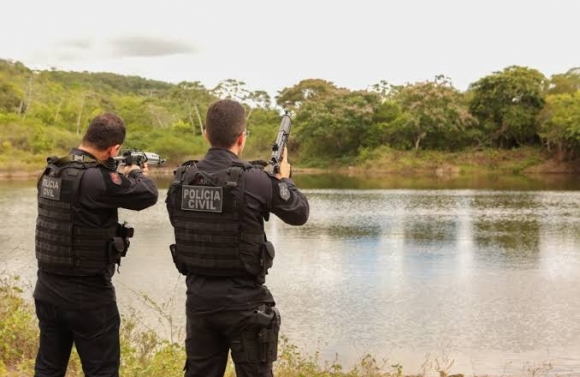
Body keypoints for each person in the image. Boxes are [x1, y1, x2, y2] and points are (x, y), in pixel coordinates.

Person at [166, 99, 309, 377]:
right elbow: (299, 213)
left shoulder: (181, 179)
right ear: (242, 138)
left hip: (199, 299)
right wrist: (284, 179)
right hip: (244, 301)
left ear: (205, 133)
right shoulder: (255, 180)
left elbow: (180, 224)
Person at [33, 112, 159, 377]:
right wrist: (136, 171)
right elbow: (147, 194)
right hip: (87, 293)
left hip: (46, 287)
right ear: (114, 149)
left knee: (48, 367)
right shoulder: (97, 179)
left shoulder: (51, 171)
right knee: (102, 370)